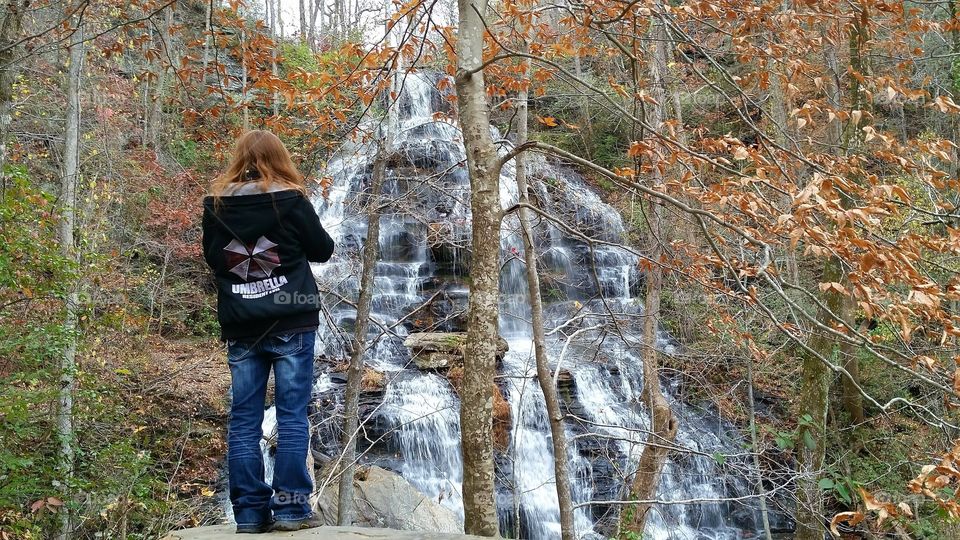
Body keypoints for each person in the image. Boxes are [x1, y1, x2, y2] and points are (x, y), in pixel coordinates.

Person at [201, 130, 334, 533]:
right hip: (291, 318)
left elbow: (214, 258)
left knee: (244, 420)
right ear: (281, 158)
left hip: (242, 324)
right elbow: (322, 249)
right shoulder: (291, 199)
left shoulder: (216, 205)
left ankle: (248, 515)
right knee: (292, 417)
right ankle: (292, 509)